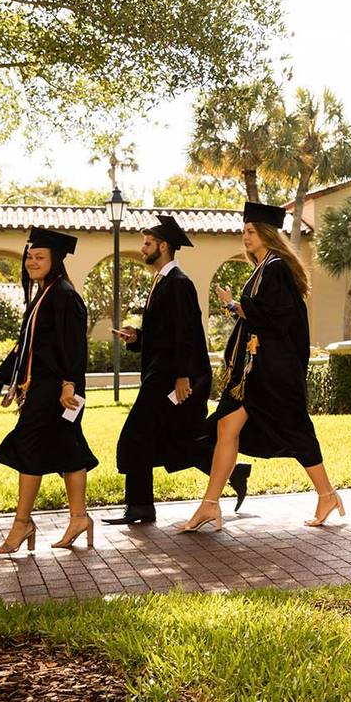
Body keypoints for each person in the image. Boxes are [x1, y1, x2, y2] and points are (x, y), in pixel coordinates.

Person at [182, 201, 343, 531]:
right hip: (252, 371)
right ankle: (209, 506)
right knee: (227, 427)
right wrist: (238, 307)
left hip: (272, 373)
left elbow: (277, 318)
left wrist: (232, 304)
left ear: (268, 234)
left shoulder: (276, 268)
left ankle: (327, 493)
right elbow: (261, 314)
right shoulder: (265, 268)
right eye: (244, 231)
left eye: (251, 231)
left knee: (295, 431)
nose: (245, 236)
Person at [106, 214, 249, 527]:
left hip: (173, 378)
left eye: (147, 244)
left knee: (135, 437)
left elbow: (187, 332)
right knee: (174, 441)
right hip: (163, 373)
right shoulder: (161, 281)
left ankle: (140, 507)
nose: (142, 249)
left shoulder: (179, 283)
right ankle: (234, 473)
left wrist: (183, 376)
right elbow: (166, 334)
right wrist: (138, 337)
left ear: (163, 246)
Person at [0, 228, 99, 553]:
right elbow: (27, 346)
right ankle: (79, 518)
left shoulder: (63, 294)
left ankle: (22, 523)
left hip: (55, 389)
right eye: (29, 257)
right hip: (43, 386)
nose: (32, 262)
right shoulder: (45, 293)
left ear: (56, 260)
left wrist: (69, 383)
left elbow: (74, 345)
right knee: (68, 448)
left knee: (29, 445)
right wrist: (0, 377)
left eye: (40, 257)